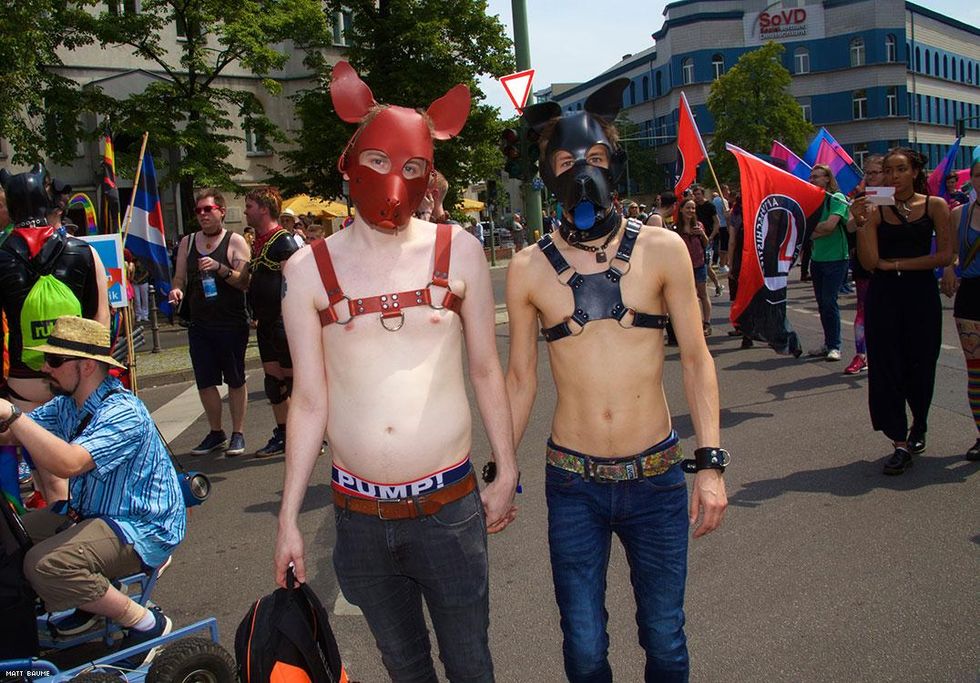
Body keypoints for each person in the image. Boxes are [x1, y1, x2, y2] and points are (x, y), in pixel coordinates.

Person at [274, 61, 518, 682]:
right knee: (403, 667)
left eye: (412, 167)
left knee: (471, 663)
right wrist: (287, 521)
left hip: (450, 509)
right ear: (349, 165)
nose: (395, 182)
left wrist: (507, 466)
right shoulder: (307, 271)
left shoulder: (457, 249)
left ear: (429, 173)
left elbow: (487, 371)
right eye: (380, 163)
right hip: (358, 517)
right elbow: (307, 401)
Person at [508, 79, 727, 683]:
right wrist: (501, 468)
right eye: (567, 162)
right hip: (572, 483)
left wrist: (709, 463)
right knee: (582, 646)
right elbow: (520, 379)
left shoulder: (663, 249)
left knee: (665, 638)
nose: (584, 174)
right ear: (547, 176)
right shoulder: (528, 268)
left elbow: (698, 358)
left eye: (597, 160)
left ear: (615, 164)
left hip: (655, 479)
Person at [0, 316, 185, 665]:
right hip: (95, 514)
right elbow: (15, 435)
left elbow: (68, 463)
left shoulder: (122, 411)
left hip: (142, 526)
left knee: (42, 565)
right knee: (12, 536)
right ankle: (92, 605)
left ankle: (147, 623)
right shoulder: (69, 403)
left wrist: (13, 414)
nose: (45, 368)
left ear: (85, 366)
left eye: (54, 361)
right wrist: (12, 423)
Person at [0, 166, 110, 507]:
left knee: (50, 474)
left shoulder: (2, 257)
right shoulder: (84, 252)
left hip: (25, 380)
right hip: (80, 376)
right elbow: (101, 319)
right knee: (91, 462)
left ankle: (65, 533)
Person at [851, 148, 952, 474]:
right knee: (886, 366)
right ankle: (899, 441)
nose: (893, 176)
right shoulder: (877, 207)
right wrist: (864, 223)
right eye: (888, 170)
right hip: (885, 297)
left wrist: (896, 264)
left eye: (900, 169)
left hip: (920, 295)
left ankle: (919, 423)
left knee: (921, 363)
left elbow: (944, 256)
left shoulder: (935, 206)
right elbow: (869, 262)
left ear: (915, 172)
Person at [168, 189, 251, 457]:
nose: (202, 215)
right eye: (198, 210)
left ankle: (238, 432)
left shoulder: (235, 241)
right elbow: (179, 277)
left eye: (208, 209)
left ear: (221, 212)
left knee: (235, 379)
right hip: (200, 323)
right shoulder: (188, 242)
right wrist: (176, 290)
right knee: (205, 381)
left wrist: (219, 268)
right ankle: (216, 432)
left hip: (230, 322)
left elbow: (243, 282)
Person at [228, 187, 300, 458]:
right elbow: (244, 281)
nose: (245, 210)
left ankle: (307, 436)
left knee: (294, 384)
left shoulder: (284, 242)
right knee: (273, 382)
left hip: (284, 323)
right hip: (266, 323)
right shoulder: (257, 243)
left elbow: (293, 285)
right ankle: (283, 434)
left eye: (249, 205)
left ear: (264, 209)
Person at [941, 153, 980, 461]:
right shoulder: (960, 214)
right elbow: (952, 253)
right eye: (979, 175)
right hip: (972, 298)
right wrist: (951, 268)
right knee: (977, 373)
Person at [843, 155, 884, 375]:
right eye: (867, 173)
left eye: (875, 172)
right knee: (863, 310)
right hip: (864, 263)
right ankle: (861, 355)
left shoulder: (896, 197)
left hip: (889, 263)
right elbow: (849, 228)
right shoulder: (859, 197)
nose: (870, 177)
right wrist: (858, 217)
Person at [806, 164, 851, 362]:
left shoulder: (836, 198)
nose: (812, 179)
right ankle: (828, 343)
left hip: (836, 259)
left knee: (828, 301)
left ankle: (835, 346)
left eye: (817, 176)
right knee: (822, 304)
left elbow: (830, 226)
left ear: (827, 178)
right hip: (817, 260)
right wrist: (812, 231)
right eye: (811, 176)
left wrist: (810, 232)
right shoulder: (813, 200)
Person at [676, 197, 713, 336]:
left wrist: (702, 234)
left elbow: (706, 244)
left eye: (693, 208)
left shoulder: (699, 225)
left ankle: (707, 322)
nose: (691, 210)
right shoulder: (676, 228)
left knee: (703, 294)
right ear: (681, 210)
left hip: (699, 264)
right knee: (689, 296)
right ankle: (693, 323)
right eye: (688, 208)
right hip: (684, 267)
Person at [693, 185, 723, 296]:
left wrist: (711, 235)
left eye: (698, 194)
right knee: (702, 264)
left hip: (709, 237)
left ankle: (717, 285)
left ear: (703, 194)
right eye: (695, 195)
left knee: (706, 264)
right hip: (697, 237)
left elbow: (717, 222)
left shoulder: (710, 206)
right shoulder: (694, 206)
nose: (697, 197)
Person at [711, 186, 731, 272]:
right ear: (723, 190)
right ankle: (723, 265)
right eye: (727, 190)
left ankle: (721, 263)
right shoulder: (724, 201)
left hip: (717, 226)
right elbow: (726, 215)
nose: (728, 192)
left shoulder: (714, 201)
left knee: (720, 245)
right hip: (724, 226)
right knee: (725, 247)